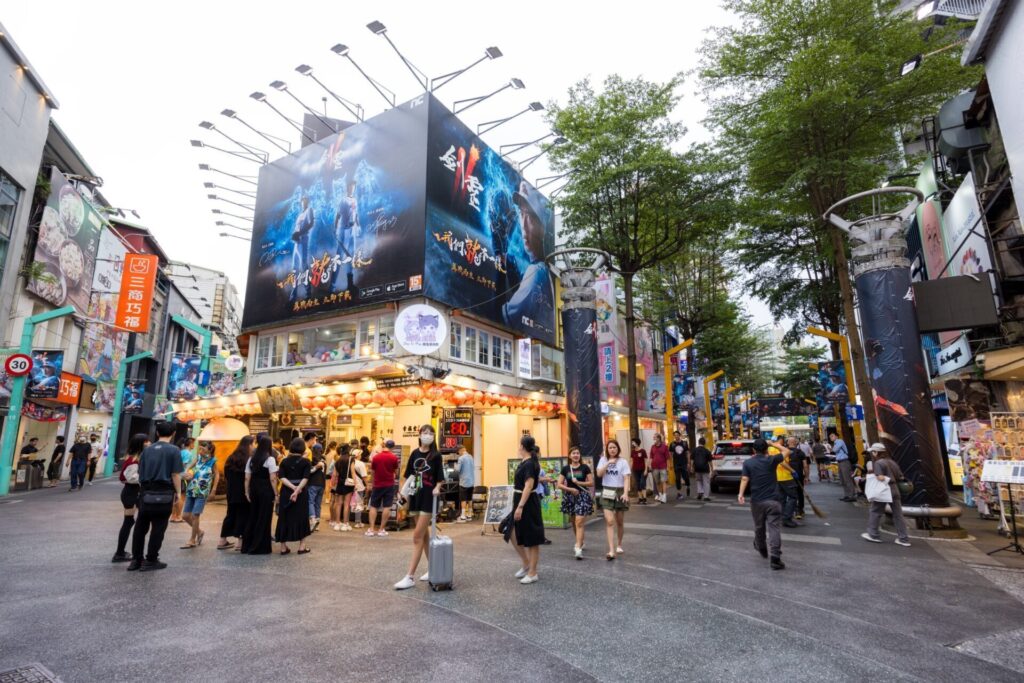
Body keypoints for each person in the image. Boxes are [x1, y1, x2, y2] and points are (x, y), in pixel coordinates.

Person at [128, 422, 184, 572]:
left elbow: (140, 472)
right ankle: (151, 559)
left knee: (140, 526)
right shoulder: (174, 450)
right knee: (158, 527)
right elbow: (175, 474)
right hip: (164, 491)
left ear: (157, 433)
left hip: (146, 491)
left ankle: (136, 560)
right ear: (173, 434)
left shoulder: (147, 450)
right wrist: (178, 492)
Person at [394, 424, 444, 590]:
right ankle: (433, 569)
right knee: (424, 536)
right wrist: (402, 491)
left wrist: (437, 487)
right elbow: (408, 475)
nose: (427, 435)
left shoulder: (436, 455)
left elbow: (439, 477)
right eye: (425, 432)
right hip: (415, 496)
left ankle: (410, 576)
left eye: (431, 433)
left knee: (417, 536)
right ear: (420, 434)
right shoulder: (415, 453)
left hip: (429, 498)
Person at [738, 437, 788, 570]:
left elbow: (744, 479)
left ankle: (761, 547)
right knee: (774, 528)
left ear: (754, 449)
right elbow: (787, 451)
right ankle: (775, 558)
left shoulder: (748, 463)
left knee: (759, 527)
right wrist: (774, 444)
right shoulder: (772, 460)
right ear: (766, 449)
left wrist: (741, 494)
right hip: (773, 500)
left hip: (757, 501)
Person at [507, 435, 545, 584]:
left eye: (519, 445)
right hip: (519, 499)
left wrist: (521, 506)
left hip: (528, 502)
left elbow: (529, 486)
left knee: (532, 537)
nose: (518, 447)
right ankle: (526, 563)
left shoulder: (530, 463)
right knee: (510, 530)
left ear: (522, 446)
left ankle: (533, 572)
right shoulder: (524, 461)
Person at [862, 443, 912, 547]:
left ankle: (873, 534)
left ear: (876, 452)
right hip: (895, 490)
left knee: (875, 511)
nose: (872, 454)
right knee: (898, 515)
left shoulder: (879, 463)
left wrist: (876, 476)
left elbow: (880, 477)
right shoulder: (892, 462)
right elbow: (900, 477)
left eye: (873, 452)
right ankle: (903, 539)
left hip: (884, 490)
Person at [112, 433, 148, 563]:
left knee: (130, 522)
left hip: (131, 493)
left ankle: (121, 552)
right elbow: (131, 478)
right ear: (141, 444)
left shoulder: (133, 458)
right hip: (132, 493)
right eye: (146, 441)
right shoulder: (134, 460)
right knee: (129, 522)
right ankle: (120, 553)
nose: (149, 443)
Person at [241, 436, 279, 555]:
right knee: (264, 517)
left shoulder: (251, 459)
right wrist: (276, 494)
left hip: (254, 490)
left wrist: (247, 492)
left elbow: (247, 477)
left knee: (253, 516)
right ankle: (260, 546)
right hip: (266, 491)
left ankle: (247, 545)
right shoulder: (270, 459)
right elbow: (273, 478)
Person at [275, 437, 312, 555]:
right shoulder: (306, 462)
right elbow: (306, 478)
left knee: (284, 516)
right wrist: (297, 490)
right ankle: (302, 546)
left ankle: (283, 547)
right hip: (301, 493)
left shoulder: (284, 461)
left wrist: (292, 488)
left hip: (286, 492)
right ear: (302, 448)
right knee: (301, 517)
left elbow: (281, 477)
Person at [557, 446, 594, 559]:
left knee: (579, 522)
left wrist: (579, 483)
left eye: (577, 453)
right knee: (573, 522)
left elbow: (591, 483)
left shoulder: (585, 467)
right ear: (570, 456)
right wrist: (570, 489)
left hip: (582, 496)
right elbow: (559, 484)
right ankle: (580, 541)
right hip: (570, 497)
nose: (576, 455)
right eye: (573, 453)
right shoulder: (565, 469)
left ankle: (578, 547)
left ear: (580, 456)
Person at [180, 441, 219, 549]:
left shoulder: (212, 461)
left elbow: (217, 475)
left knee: (195, 515)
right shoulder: (198, 458)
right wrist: (187, 473)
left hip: (202, 491)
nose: (200, 450)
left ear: (209, 450)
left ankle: (192, 539)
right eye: (199, 448)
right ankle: (200, 531)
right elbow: (188, 468)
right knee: (185, 516)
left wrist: (214, 490)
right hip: (191, 489)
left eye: (203, 449)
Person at [597, 440, 631, 560]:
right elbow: (599, 474)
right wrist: (608, 463)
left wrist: (626, 493)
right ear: (607, 449)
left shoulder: (623, 462)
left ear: (618, 449)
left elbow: (626, 478)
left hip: (620, 491)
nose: (612, 449)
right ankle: (611, 550)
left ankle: (619, 544)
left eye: (614, 447)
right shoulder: (603, 460)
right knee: (610, 521)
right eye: (610, 447)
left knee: (620, 521)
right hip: (607, 491)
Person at [218, 436, 252, 550]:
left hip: (231, 491)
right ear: (249, 445)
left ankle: (222, 540)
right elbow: (249, 477)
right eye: (253, 444)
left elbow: (226, 475)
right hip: (244, 491)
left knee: (230, 514)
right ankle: (240, 542)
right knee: (243, 515)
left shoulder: (231, 458)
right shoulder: (248, 459)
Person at [366, 439, 399, 537]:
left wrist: (370, 483)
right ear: (393, 447)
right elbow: (396, 472)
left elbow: (372, 472)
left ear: (384, 445)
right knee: (387, 507)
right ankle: (381, 529)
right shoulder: (394, 458)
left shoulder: (376, 457)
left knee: (373, 506)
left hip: (377, 485)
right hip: (389, 485)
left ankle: (371, 529)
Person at [289, 194, 314, 302]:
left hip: (303, 240)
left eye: (305, 200)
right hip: (297, 242)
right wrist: (295, 235)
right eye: (302, 200)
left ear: (307, 201)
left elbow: (311, 223)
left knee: (303, 266)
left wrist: (299, 233)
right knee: (294, 268)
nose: (304, 202)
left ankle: (308, 294)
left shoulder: (309, 210)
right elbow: (297, 228)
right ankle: (293, 296)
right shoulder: (300, 215)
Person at [774, 441, 801, 528]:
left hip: (778, 478)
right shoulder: (780, 448)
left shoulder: (771, 448)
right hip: (786, 477)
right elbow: (782, 462)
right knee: (793, 497)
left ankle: (783, 517)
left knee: (782, 499)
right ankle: (786, 518)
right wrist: (792, 471)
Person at [171, 437, 195, 523]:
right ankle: (178, 516)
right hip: (182, 477)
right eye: (193, 443)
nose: (194, 445)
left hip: (176, 477)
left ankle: (173, 516)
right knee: (182, 496)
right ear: (190, 444)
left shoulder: (180, 452)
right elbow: (183, 464)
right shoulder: (188, 453)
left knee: (176, 497)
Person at [786, 436, 808, 519]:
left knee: (790, 494)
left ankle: (793, 510)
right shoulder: (800, 452)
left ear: (788, 443)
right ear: (796, 443)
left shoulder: (785, 452)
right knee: (800, 493)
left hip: (787, 476)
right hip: (799, 475)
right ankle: (800, 510)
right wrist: (806, 476)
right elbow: (805, 466)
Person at [831, 432, 856, 501]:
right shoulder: (836, 443)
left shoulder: (839, 441)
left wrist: (832, 448)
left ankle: (852, 495)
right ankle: (847, 495)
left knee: (847, 479)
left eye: (832, 436)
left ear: (836, 436)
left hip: (844, 462)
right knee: (843, 479)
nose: (831, 438)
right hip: (840, 462)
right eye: (830, 436)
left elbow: (834, 450)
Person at [307, 449, 327, 532]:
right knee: (318, 504)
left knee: (311, 502)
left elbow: (309, 472)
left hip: (313, 484)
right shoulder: (324, 462)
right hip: (322, 484)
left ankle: (313, 519)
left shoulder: (312, 461)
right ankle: (317, 523)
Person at [455, 445, 475, 522]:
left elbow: (458, 470)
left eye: (458, 452)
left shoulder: (461, 458)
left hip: (464, 482)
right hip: (471, 481)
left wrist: (455, 467)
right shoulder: (471, 457)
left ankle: (463, 516)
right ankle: (469, 515)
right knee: (469, 498)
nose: (458, 453)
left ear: (460, 450)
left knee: (463, 499)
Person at [649, 432, 670, 504]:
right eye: (654, 437)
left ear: (658, 438)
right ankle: (660, 494)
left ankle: (664, 496)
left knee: (663, 481)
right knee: (657, 482)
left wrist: (668, 467)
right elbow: (651, 457)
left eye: (655, 437)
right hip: (654, 467)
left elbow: (667, 458)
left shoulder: (664, 447)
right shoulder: (652, 447)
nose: (653, 438)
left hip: (663, 466)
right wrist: (649, 465)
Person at [670, 431, 690, 499]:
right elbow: (670, 455)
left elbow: (687, 453)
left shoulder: (684, 443)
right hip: (676, 464)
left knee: (686, 477)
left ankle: (688, 486)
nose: (676, 436)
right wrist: (670, 464)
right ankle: (679, 493)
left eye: (677, 435)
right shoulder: (672, 444)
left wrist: (688, 463)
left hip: (684, 463)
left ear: (680, 435)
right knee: (677, 479)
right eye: (675, 435)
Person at [630, 438, 650, 504]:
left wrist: (646, 470)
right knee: (638, 484)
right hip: (635, 470)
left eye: (633, 442)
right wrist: (630, 469)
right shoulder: (633, 452)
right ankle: (640, 498)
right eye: (632, 442)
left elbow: (646, 460)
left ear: (637, 443)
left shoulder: (642, 451)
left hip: (642, 470)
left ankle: (645, 498)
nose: (632, 443)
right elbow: (631, 461)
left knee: (642, 483)